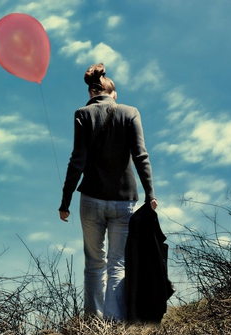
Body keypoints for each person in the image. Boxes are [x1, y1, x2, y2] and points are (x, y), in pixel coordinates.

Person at [58, 63, 158, 321]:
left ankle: (93, 324)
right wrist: (150, 194)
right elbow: (141, 156)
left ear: (91, 94)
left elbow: (76, 161)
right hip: (124, 201)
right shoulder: (130, 112)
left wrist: (65, 201)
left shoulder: (82, 113)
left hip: (90, 199)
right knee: (118, 264)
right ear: (113, 94)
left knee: (94, 264)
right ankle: (115, 324)